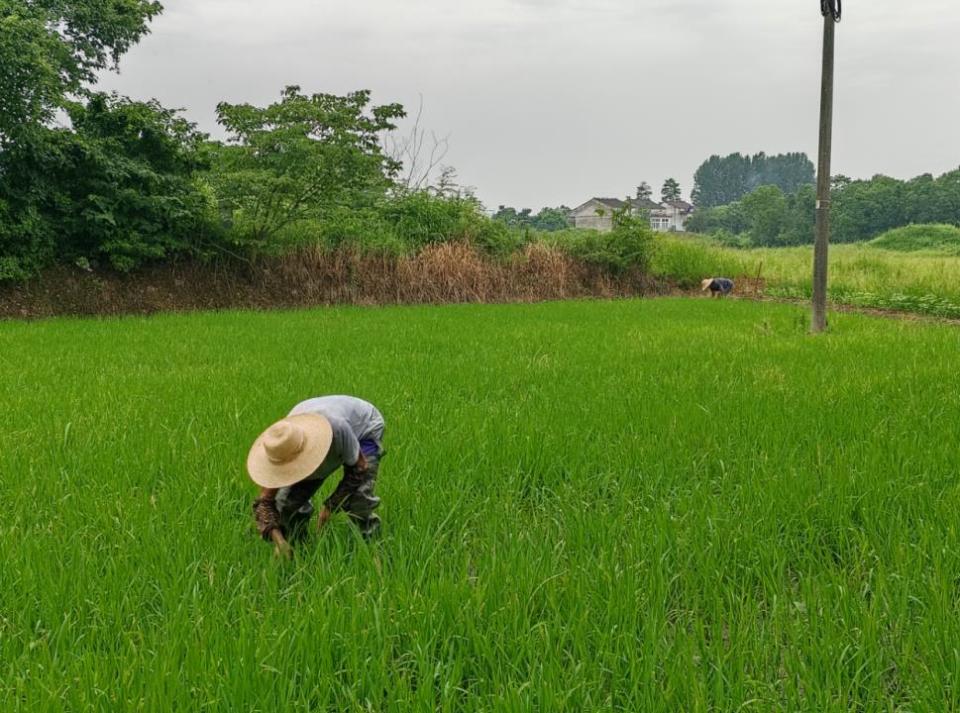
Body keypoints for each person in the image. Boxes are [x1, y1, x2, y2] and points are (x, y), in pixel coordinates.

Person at [247, 395, 385, 555]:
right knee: (284, 504)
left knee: (359, 500)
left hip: (364, 428)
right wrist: (280, 541)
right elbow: (264, 504)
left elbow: (359, 468)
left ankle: (373, 551)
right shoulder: (282, 443)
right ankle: (298, 547)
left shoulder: (337, 429)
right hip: (321, 428)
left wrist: (330, 507)